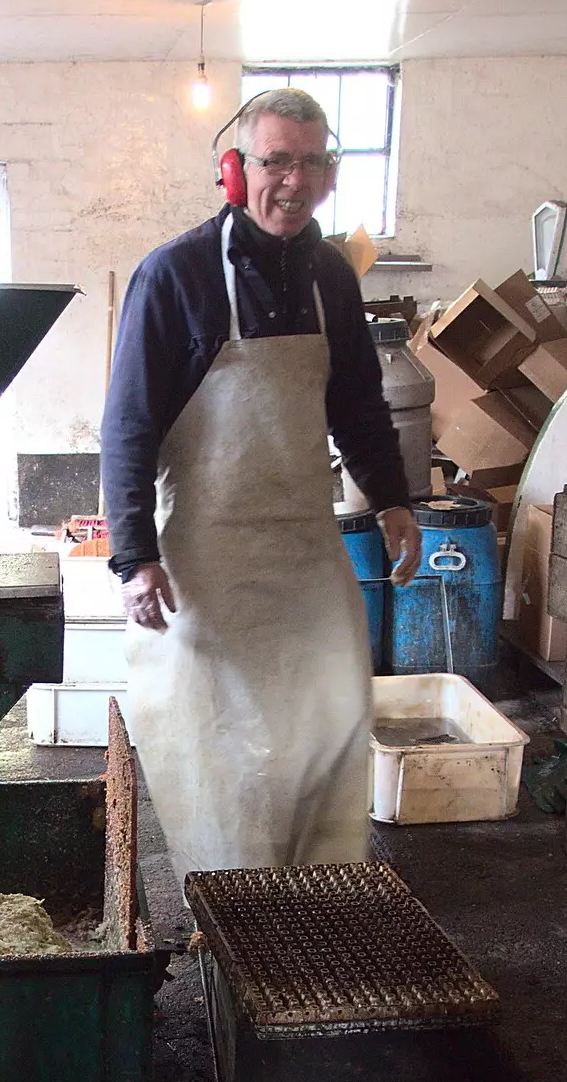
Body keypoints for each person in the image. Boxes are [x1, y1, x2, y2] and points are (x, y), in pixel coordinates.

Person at [100, 87, 422, 886]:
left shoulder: (329, 277)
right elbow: (129, 426)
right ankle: (232, 898)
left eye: (311, 161)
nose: (293, 180)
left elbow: (355, 403)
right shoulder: (173, 276)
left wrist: (391, 500)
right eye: (275, 160)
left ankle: (314, 895)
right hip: (202, 560)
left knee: (332, 712)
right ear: (235, 171)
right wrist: (133, 556)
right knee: (225, 743)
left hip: (303, 548)